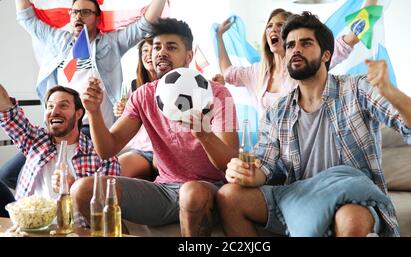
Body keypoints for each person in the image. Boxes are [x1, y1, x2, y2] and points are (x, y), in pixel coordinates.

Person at [216, 12, 411, 237]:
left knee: (352, 219)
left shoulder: (356, 89)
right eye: (290, 45)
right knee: (228, 196)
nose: (295, 49)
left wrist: (391, 93)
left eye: (306, 43)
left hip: (351, 194)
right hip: (299, 199)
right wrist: (247, 172)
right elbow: (264, 164)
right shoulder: (277, 111)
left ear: (326, 55)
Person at [71, 18, 239, 237]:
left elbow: (228, 162)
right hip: (164, 190)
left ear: (188, 56)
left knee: (192, 191)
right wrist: (93, 112)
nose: (161, 52)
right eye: (157, 47)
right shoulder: (143, 95)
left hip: (209, 188)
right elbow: (107, 150)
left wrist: (203, 134)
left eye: (171, 47)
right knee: (82, 190)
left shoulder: (217, 94)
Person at [0, 0, 165, 194]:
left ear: (97, 18)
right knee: (7, 174)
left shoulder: (111, 43)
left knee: (62, 179)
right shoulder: (59, 40)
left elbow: (144, 24)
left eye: (85, 12)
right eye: (74, 12)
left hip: (90, 128)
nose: (78, 16)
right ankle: (27, 213)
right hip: (58, 124)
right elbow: (26, 18)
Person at [215, 0, 377, 119]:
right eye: (269, 26)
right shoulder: (256, 72)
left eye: (280, 25)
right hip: (269, 150)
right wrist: (219, 37)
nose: (273, 29)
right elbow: (228, 72)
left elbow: (353, 36)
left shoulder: (305, 63)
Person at [0, 84, 120, 200]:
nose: (54, 112)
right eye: (50, 106)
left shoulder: (103, 157)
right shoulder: (35, 140)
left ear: (78, 114)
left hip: (73, 220)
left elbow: (107, 205)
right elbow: (6, 109)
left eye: (63, 106)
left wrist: (74, 188)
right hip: (27, 218)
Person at [114, 37, 158, 180]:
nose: (148, 54)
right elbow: (126, 121)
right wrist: (121, 112)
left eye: (154, 49)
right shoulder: (133, 86)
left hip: (167, 152)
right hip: (141, 149)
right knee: (115, 171)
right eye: (145, 50)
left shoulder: (175, 84)